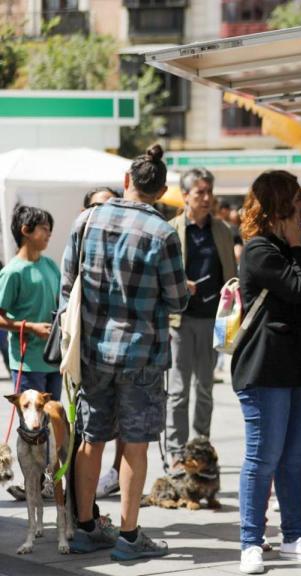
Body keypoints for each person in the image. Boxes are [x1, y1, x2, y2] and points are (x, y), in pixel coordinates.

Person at [66, 144, 188, 561]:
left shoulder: (87, 219)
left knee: (91, 438)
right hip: (142, 355)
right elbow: (176, 301)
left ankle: (84, 527)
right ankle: (129, 536)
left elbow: (69, 288)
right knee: (135, 444)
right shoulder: (164, 233)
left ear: (126, 182)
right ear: (161, 190)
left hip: (93, 352)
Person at [232, 170, 301, 574]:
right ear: (280, 204)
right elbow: (299, 288)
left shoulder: (290, 246)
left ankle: (294, 535)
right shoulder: (259, 250)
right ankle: (250, 542)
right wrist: (297, 244)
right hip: (264, 368)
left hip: (295, 366)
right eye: (297, 196)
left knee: (293, 456)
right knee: (263, 457)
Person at [165, 168, 237, 470]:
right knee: (180, 390)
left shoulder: (220, 229)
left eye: (209, 192)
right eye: (200, 193)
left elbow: (231, 274)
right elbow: (164, 273)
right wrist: (182, 283)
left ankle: (201, 446)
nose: (207, 198)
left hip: (213, 320)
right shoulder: (171, 229)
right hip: (180, 320)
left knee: (205, 387)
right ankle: (177, 452)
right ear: (185, 196)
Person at [0, 205, 60, 501]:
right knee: (31, 426)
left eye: (49, 228)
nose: (48, 234)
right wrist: (29, 326)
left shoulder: (50, 266)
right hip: (26, 361)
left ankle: (49, 480)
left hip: (53, 360)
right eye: (44, 229)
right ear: (26, 231)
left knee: (54, 423)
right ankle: (30, 481)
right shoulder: (12, 272)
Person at [78, 188, 127, 500]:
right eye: (97, 206)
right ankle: (82, 514)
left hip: (126, 355)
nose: (103, 213)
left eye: (110, 206)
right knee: (88, 431)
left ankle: (115, 480)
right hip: (88, 355)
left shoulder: (129, 247)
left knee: (127, 427)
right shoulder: (78, 246)